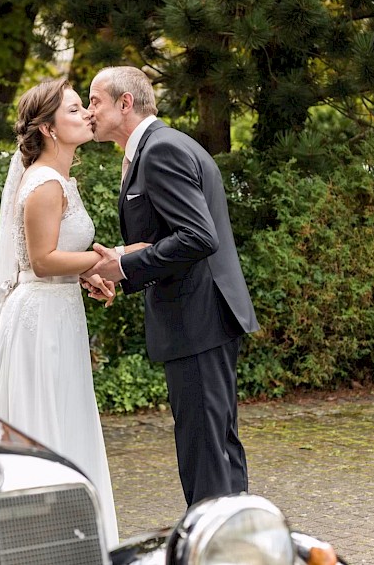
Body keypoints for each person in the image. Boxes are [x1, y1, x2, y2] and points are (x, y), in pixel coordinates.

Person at [84, 65, 260, 507]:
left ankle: (214, 547)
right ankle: (233, 540)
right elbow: (173, 235)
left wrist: (125, 266)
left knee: (206, 451)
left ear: (125, 103)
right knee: (214, 445)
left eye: (95, 101)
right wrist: (125, 259)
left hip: (197, 318)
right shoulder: (157, 148)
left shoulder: (161, 150)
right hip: (199, 317)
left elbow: (199, 237)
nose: (89, 112)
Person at [0, 78, 119, 545]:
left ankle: (69, 540)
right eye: (75, 110)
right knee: (46, 428)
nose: (86, 116)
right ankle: (43, 541)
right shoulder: (43, 183)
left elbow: (54, 258)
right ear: (50, 128)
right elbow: (41, 261)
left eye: (83, 108)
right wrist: (108, 259)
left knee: (66, 418)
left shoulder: (58, 180)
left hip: (59, 311)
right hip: (39, 325)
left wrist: (83, 275)